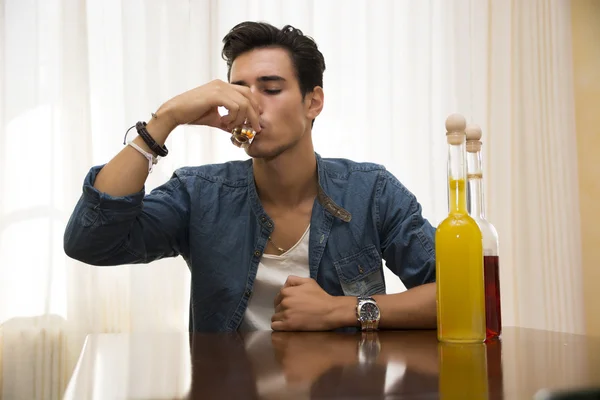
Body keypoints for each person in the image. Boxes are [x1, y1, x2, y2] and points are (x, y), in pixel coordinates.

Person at [63, 21, 437, 333]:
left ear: (313, 102)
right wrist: (167, 118)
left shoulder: (370, 191)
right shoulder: (199, 194)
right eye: (238, 92)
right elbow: (90, 241)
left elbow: (460, 295)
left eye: (271, 89)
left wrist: (342, 310)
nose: (251, 104)